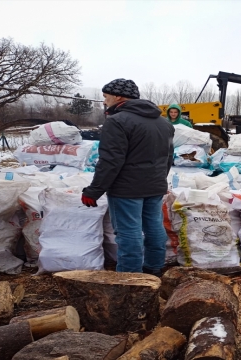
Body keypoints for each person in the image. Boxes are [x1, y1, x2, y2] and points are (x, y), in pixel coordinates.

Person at [81, 78, 175, 276]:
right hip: (155, 186)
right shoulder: (164, 123)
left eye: (105, 97)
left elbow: (110, 162)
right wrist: (159, 180)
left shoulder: (117, 122)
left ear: (118, 96)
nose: (104, 102)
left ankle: (129, 278)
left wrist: (93, 191)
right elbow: (168, 158)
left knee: (129, 232)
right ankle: (154, 269)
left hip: (126, 189)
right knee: (154, 228)